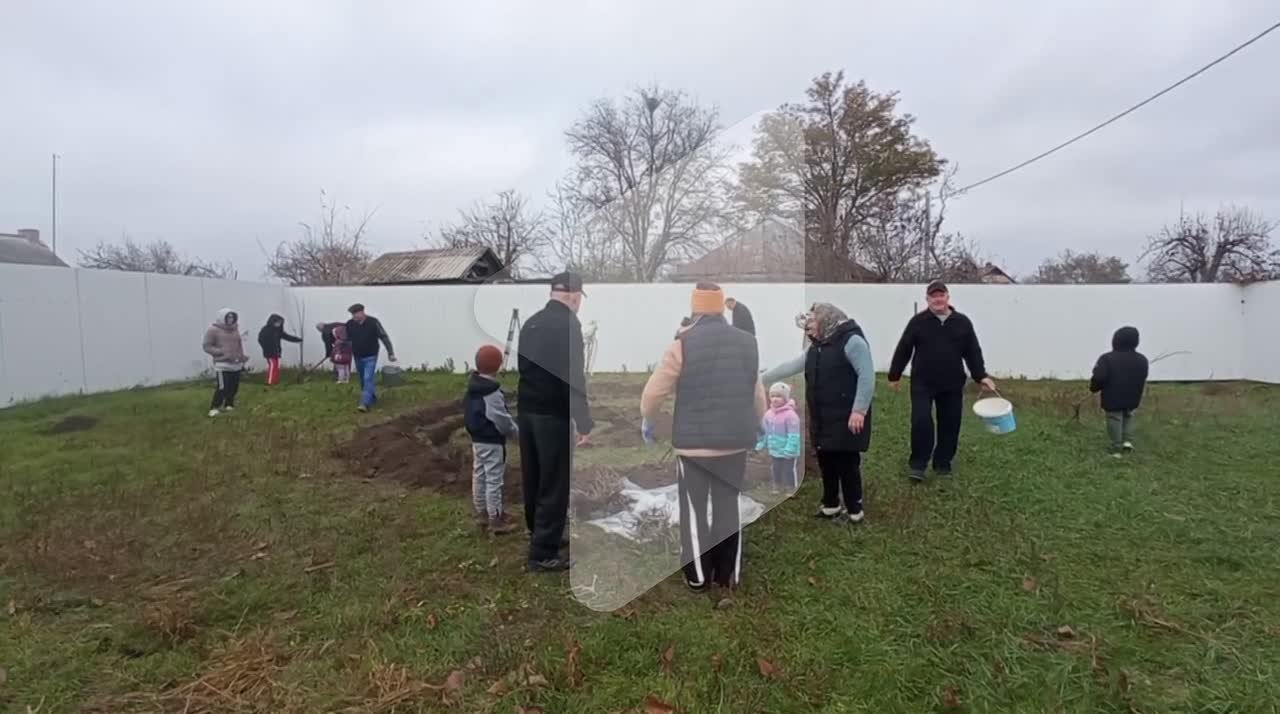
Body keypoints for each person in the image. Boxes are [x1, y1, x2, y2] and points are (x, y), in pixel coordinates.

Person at [641, 282, 766, 592]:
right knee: (728, 504)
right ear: (721, 307)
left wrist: (649, 418)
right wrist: (759, 420)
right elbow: (755, 389)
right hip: (735, 443)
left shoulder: (682, 343)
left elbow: (654, 392)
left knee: (694, 508)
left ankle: (697, 576)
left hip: (693, 447)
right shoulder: (746, 342)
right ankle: (728, 574)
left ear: (695, 309)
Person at [763, 303, 874, 521]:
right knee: (826, 459)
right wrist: (759, 380)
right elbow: (792, 366)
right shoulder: (817, 346)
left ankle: (854, 510)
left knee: (847, 462)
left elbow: (867, 376)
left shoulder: (852, 341)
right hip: (823, 415)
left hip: (847, 415)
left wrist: (859, 410)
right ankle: (830, 505)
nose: (808, 325)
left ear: (826, 320)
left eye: (812, 320)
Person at [517, 272, 593, 573]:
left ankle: (538, 532)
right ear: (574, 296)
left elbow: (524, 368)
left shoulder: (531, 323)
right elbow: (573, 376)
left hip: (527, 411)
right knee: (555, 483)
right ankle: (543, 554)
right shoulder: (568, 325)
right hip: (553, 415)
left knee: (534, 476)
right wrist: (584, 421)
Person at [888, 281, 996, 482]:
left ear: (947, 297)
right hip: (922, 382)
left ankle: (943, 463)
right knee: (921, 421)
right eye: (933, 296)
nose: (937, 299)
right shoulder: (918, 322)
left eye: (941, 295)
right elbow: (904, 348)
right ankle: (918, 465)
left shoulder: (962, 322)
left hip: (952, 383)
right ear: (927, 299)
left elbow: (973, 351)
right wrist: (894, 375)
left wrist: (981, 376)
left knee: (950, 423)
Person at [466, 344, 520, 533]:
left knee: (479, 475)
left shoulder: (473, 386)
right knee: (494, 480)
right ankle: (495, 520)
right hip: (492, 442)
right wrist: (516, 433)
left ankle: (482, 512)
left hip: (477, 440)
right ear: (498, 366)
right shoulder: (491, 392)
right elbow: (501, 420)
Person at [1089, 326, 1149, 457]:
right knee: (1128, 417)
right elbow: (1143, 376)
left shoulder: (1107, 358)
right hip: (1133, 397)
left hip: (1113, 397)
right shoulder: (1142, 360)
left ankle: (1115, 449)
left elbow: (1099, 377)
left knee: (1114, 418)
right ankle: (1127, 442)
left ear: (1116, 340)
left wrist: (1093, 388)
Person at [344, 304, 396, 413]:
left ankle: (364, 403)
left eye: (355, 314)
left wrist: (390, 353)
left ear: (362, 312)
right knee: (363, 380)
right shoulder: (349, 324)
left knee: (368, 378)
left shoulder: (373, 322)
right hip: (358, 356)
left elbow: (383, 336)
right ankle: (371, 398)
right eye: (352, 314)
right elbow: (348, 339)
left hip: (371, 356)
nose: (354, 316)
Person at [202, 308, 249, 417]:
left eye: (232, 317)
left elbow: (238, 344)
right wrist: (221, 352)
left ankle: (229, 404)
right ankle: (214, 407)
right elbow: (207, 346)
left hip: (236, 363)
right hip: (222, 364)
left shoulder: (235, 329)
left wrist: (241, 356)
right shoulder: (213, 330)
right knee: (222, 387)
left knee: (234, 386)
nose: (230, 319)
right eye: (228, 317)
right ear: (222, 317)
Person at [756, 382, 801, 494]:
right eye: (772, 396)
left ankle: (790, 488)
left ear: (785, 398)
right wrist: (762, 444)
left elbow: (794, 435)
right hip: (775, 449)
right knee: (776, 469)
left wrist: (790, 449)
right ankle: (777, 486)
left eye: (779, 396)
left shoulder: (791, 415)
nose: (775, 399)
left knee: (788, 470)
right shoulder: (768, 414)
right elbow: (765, 432)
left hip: (788, 450)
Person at [257, 314, 301, 386]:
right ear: (273, 321)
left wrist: (297, 339)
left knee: (276, 366)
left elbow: (287, 337)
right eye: (278, 322)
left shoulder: (278, 331)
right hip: (269, 353)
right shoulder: (266, 330)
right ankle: (270, 382)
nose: (279, 324)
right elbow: (260, 340)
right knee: (272, 365)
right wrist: (266, 348)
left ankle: (275, 381)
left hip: (276, 352)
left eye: (280, 323)